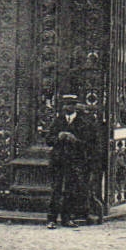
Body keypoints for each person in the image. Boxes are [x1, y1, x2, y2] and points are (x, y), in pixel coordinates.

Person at [46, 96, 84, 229]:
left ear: (75, 106)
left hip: (74, 160)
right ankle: (51, 219)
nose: (67, 107)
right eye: (66, 104)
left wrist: (75, 140)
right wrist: (58, 137)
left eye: (70, 104)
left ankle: (67, 218)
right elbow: (48, 139)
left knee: (70, 190)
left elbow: (89, 142)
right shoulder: (58, 121)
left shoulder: (82, 122)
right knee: (56, 189)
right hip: (58, 160)